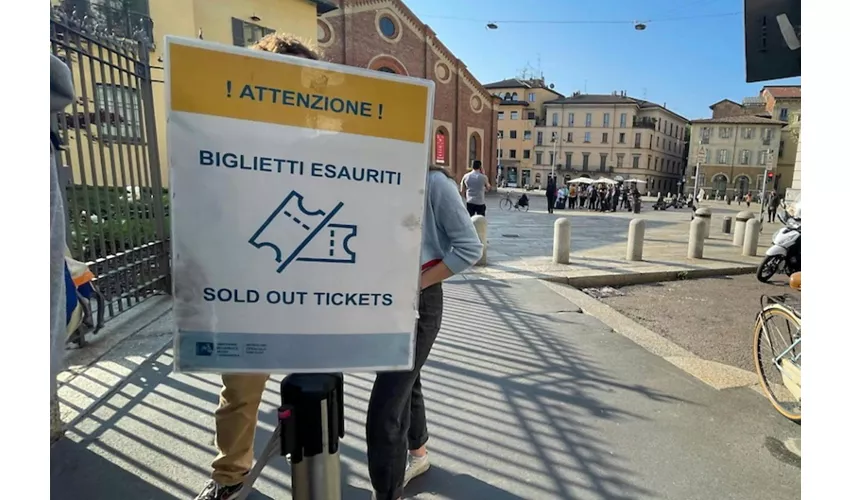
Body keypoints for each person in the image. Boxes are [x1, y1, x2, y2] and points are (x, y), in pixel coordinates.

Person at [194, 33, 327, 500]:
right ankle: (230, 477)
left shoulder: (324, 142)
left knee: (318, 390)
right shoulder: (229, 136)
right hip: (248, 286)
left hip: (314, 283)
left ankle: (319, 473)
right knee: (240, 394)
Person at [367, 165, 483, 500]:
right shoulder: (375, 176)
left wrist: (416, 284)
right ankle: (418, 454)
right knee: (407, 382)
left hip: (420, 300)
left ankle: (387, 494)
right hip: (383, 299)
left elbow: (469, 249)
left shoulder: (434, 183)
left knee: (385, 408)